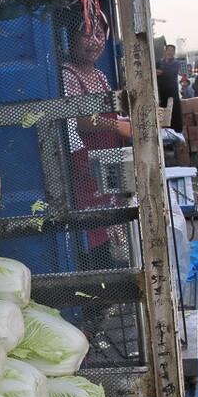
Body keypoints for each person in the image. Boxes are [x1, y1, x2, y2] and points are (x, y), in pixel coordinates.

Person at [61, 21, 130, 267]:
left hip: (105, 160)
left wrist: (126, 122)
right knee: (93, 228)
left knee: (111, 221)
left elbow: (106, 114)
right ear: (71, 38)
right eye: (86, 35)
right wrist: (117, 126)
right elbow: (77, 119)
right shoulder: (68, 73)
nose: (94, 42)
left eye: (99, 35)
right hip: (84, 162)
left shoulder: (100, 75)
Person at [155, 44, 183, 132]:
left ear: (174, 52)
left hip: (172, 95)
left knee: (174, 116)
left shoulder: (176, 63)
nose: (170, 52)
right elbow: (152, 70)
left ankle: (176, 134)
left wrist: (160, 72)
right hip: (161, 94)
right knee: (163, 117)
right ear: (165, 51)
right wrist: (159, 72)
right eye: (168, 50)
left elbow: (169, 72)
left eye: (172, 50)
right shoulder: (159, 62)